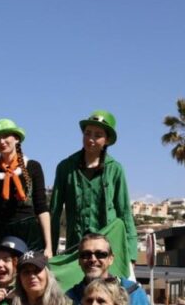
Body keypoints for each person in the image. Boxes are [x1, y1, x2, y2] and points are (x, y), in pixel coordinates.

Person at [50, 111, 137, 266]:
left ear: (107, 140)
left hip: (108, 251)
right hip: (75, 251)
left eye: (98, 135)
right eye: (87, 133)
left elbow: (124, 214)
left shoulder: (116, 169)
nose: (91, 139)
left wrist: (130, 254)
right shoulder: (65, 167)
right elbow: (54, 212)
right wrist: (50, 248)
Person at [0, 119, 52, 258]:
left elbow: (41, 208)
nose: (1, 141)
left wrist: (48, 246)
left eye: (5, 136)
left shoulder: (33, 166)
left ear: (16, 139)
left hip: (29, 233)